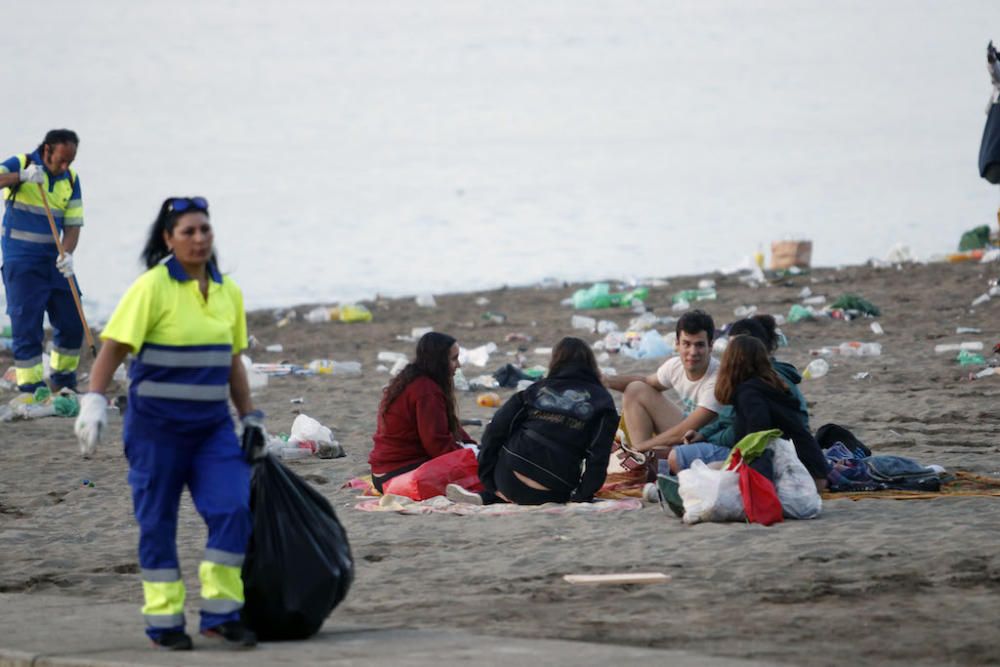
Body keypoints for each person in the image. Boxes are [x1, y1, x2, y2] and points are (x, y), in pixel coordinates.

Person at [73, 197, 261, 651]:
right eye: (188, 232)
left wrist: (250, 416)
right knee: (157, 522)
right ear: (168, 239)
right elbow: (114, 347)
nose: (199, 239)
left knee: (233, 509)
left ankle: (220, 614)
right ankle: (164, 623)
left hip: (212, 429)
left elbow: (232, 359)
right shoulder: (151, 288)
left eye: (204, 230)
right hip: (156, 431)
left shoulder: (226, 291)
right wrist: (93, 401)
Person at [462, 337, 618, 505]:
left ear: (555, 361)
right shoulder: (604, 402)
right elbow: (598, 457)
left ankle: (489, 495)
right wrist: (582, 496)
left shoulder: (535, 391)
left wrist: (488, 480)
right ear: (591, 364)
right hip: (556, 490)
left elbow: (494, 431)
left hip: (509, 479)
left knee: (512, 425)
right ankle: (489, 496)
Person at [666, 314, 810, 474]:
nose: (729, 354)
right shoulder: (753, 378)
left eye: (735, 348)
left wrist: (708, 438)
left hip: (779, 456)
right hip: (778, 451)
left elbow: (745, 434)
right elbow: (728, 420)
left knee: (677, 457)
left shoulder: (756, 387)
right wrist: (703, 434)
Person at [0, 130, 84, 393]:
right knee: (27, 326)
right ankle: (31, 388)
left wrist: (67, 254)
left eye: (69, 161)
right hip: (21, 262)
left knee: (72, 321)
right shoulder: (22, 163)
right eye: (61, 159)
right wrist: (21, 177)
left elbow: (72, 225)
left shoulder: (70, 179)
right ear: (47, 150)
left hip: (53, 261)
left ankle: (63, 378)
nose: (65, 166)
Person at [713, 335, 828, 490]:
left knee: (711, 469)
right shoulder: (770, 386)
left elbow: (758, 436)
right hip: (815, 471)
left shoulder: (749, 394)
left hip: (799, 477)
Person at [605, 310, 722, 461]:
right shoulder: (675, 366)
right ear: (677, 344)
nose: (692, 352)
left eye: (699, 345)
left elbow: (685, 430)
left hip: (710, 443)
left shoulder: (717, 379)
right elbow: (645, 382)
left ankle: (641, 455)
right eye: (687, 344)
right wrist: (605, 380)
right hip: (686, 433)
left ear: (711, 346)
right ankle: (642, 461)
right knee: (635, 389)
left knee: (651, 449)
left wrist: (642, 447)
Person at [369, 331, 477, 494]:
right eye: (453, 359)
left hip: (382, 473)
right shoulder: (426, 391)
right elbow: (436, 444)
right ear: (439, 361)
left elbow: (448, 426)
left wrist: (473, 446)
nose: (458, 365)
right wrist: (469, 457)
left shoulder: (414, 380)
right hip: (396, 475)